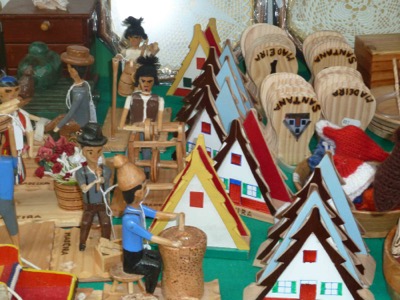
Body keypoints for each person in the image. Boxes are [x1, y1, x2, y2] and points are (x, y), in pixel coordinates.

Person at [113, 154, 182, 295]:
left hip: (139, 252)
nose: (146, 190)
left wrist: (176, 215)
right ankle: (149, 294)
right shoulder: (129, 220)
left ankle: (153, 282)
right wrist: (172, 243)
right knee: (155, 266)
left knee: (157, 255)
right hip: (132, 260)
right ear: (137, 193)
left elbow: (157, 214)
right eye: (143, 188)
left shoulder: (139, 208)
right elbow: (151, 237)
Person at [75, 123, 111, 251]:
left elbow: (106, 185)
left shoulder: (105, 170)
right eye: (90, 152)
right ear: (84, 152)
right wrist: (94, 182)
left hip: (102, 204)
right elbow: (84, 188)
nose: (95, 155)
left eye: (99, 151)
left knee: (106, 223)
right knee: (85, 222)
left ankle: (106, 244)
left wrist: (100, 178)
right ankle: (82, 243)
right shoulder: (80, 172)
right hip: (89, 205)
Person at [52, 45, 97, 135]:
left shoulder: (79, 92)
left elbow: (71, 112)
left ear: (74, 72)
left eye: (69, 68)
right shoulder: (84, 85)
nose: (68, 71)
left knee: (62, 128)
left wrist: (58, 126)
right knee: (60, 117)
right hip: (81, 118)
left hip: (80, 122)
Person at [115, 16, 159, 96]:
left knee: (139, 95)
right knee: (124, 91)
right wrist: (119, 56)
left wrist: (153, 50)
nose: (132, 40)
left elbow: (151, 57)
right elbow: (121, 55)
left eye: (135, 37)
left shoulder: (144, 51)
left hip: (140, 77)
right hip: (127, 76)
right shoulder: (126, 50)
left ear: (141, 38)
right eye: (130, 37)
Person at [0, 75, 35, 158]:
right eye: (8, 91)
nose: (13, 94)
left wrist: (30, 151)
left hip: (16, 148)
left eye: (16, 90)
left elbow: (29, 132)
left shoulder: (21, 114)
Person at [0, 155, 20, 247]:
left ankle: (17, 246)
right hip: (5, 197)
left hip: (5, 197)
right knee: (11, 221)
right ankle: (17, 247)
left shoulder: (8, 161)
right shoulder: (9, 161)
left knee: (11, 221)